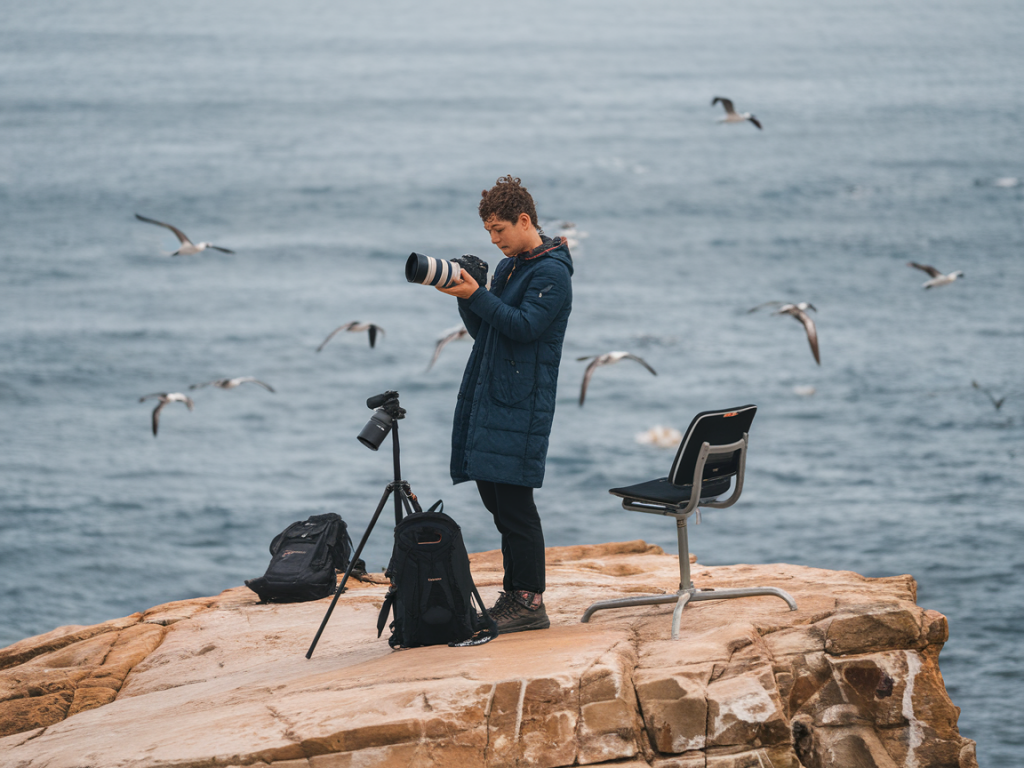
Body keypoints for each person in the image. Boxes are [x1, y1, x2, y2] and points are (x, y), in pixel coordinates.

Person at [436, 175, 573, 633]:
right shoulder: (513, 266)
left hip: (522, 402)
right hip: (495, 396)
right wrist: (467, 299)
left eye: (500, 230)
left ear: (524, 220)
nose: (494, 241)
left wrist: (478, 294)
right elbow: (491, 332)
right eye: (488, 234)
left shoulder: (551, 273)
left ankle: (530, 601)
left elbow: (523, 327)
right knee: (497, 501)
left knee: (515, 506)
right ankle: (516, 595)